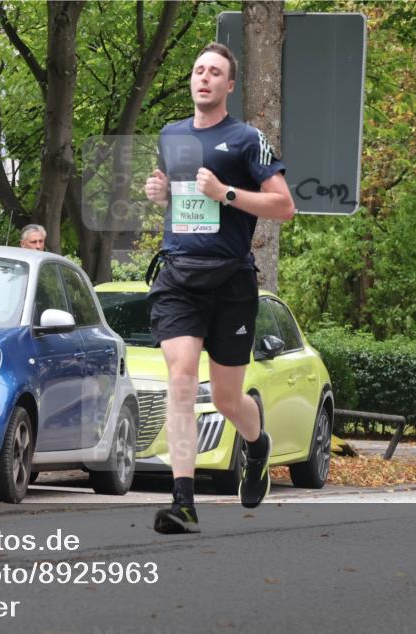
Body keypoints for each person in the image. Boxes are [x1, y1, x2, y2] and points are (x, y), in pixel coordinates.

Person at [143, 43, 295, 534]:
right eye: (198, 70)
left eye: (216, 73)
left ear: (230, 86)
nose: (204, 78)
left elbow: (283, 206)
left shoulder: (248, 139)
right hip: (178, 275)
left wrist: (226, 194)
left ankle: (256, 442)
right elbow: (177, 194)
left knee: (228, 399)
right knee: (183, 379)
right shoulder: (171, 135)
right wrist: (161, 192)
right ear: (191, 80)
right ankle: (183, 501)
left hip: (230, 280)